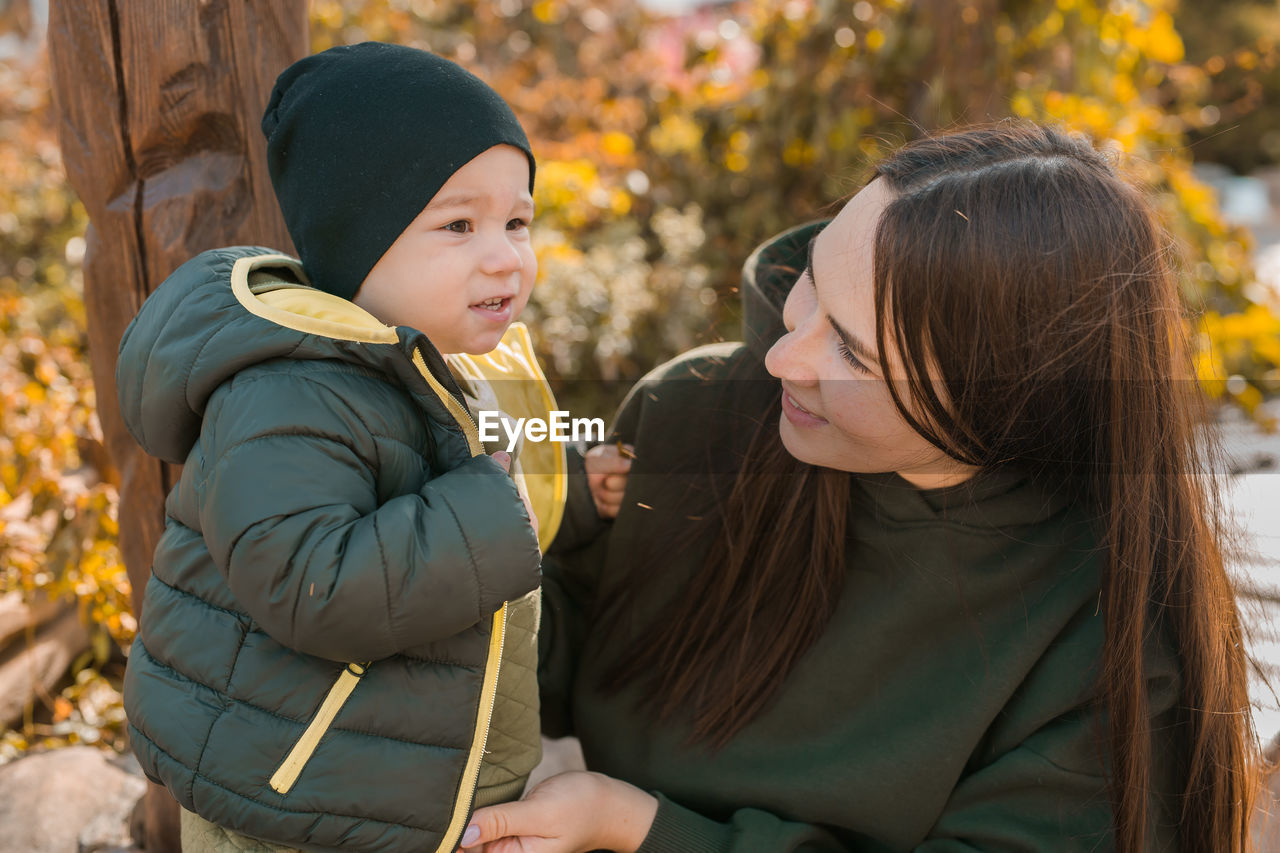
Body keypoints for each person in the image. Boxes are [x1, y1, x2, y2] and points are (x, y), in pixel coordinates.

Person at [459, 122, 1258, 852]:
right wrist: (469, 524)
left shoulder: (1105, 631)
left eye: (852, 352)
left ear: (1007, 405)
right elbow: (539, 657)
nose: (782, 358)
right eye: (810, 285)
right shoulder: (696, 413)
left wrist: (635, 827)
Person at [116, 42, 569, 852]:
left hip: (393, 780)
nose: (505, 254)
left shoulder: (450, 368)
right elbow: (305, 580)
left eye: (517, 221)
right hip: (292, 802)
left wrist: (579, 498)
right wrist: (487, 515)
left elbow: (512, 519)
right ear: (357, 243)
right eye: (459, 224)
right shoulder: (289, 393)